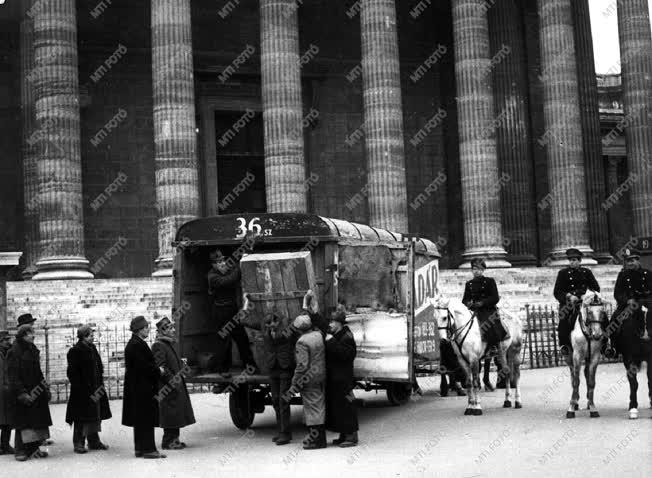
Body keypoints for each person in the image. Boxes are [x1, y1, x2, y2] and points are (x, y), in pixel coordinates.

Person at [241, 293, 297, 446]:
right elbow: (243, 320)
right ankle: (281, 431)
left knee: (283, 401)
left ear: (277, 322)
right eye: (266, 326)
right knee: (275, 400)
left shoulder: (287, 329)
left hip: (285, 369)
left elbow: (301, 321)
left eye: (271, 325)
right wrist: (247, 302)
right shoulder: (264, 326)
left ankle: (285, 433)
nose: (268, 328)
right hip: (272, 368)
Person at [122, 316, 166, 459]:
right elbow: (144, 367)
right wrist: (158, 371)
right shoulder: (137, 345)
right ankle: (148, 450)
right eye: (146, 327)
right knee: (146, 419)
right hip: (142, 388)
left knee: (140, 420)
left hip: (138, 388)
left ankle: (140, 448)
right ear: (139, 329)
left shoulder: (135, 343)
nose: (148, 329)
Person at [7, 323, 52, 461]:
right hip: (23, 392)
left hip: (36, 391)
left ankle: (33, 449)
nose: (33, 335)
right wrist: (21, 393)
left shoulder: (32, 349)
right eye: (31, 333)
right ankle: (20, 450)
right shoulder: (14, 351)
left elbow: (38, 372)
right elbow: (13, 375)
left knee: (36, 422)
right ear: (24, 335)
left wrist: (45, 388)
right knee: (23, 423)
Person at [207, 247, 255, 373]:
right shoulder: (212, 277)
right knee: (224, 342)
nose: (222, 263)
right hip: (220, 313)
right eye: (219, 262)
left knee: (242, 339)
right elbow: (228, 281)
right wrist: (240, 267)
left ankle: (250, 367)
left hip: (232, 311)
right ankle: (223, 369)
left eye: (223, 261)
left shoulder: (226, 271)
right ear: (213, 265)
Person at [65, 325, 111, 454]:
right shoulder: (75, 351)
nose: (93, 337)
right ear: (84, 337)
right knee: (81, 417)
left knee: (95, 415)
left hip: (96, 388)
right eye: (90, 335)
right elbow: (72, 373)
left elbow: (98, 367)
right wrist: (81, 388)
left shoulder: (92, 348)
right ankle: (78, 442)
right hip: (82, 392)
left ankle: (94, 441)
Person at [151, 317, 196, 450]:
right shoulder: (159, 345)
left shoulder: (169, 343)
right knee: (170, 414)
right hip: (168, 386)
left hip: (175, 384)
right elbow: (161, 367)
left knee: (176, 413)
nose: (174, 330)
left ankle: (174, 440)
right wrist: (172, 382)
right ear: (163, 331)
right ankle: (168, 441)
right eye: (170, 328)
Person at [553, 248, 600, 356]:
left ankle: (605, 344)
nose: (572, 262)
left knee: (601, 318)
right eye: (570, 260)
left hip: (586, 303)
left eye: (574, 260)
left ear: (580, 261)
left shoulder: (586, 272)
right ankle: (564, 345)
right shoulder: (563, 273)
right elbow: (557, 292)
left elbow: (596, 288)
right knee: (563, 321)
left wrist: (586, 295)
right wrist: (568, 296)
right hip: (569, 304)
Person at [290, 314, 326, 450]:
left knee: (312, 409)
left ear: (298, 329)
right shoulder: (318, 335)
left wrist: (295, 383)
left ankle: (317, 440)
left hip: (309, 379)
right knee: (319, 406)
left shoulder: (302, 342)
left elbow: (302, 366)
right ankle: (320, 438)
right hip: (321, 374)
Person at [324, 306, 359, 447]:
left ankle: (351, 437)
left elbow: (346, 355)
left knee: (347, 406)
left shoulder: (347, 337)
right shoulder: (339, 334)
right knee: (339, 407)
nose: (330, 325)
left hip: (344, 380)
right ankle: (344, 434)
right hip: (337, 379)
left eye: (332, 322)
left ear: (339, 323)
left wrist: (331, 342)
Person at [608, 248, 652, 354]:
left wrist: (646, 300)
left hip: (647, 303)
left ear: (638, 260)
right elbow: (617, 293)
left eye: (632, 260)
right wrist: (627, 300)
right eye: (628, 261)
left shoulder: (647, 274)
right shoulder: (623, 275)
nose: (630, 263)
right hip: (628, 306)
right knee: (614, 322)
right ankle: (613, 348)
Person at [462, 258, 506, 356]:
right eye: (474, 269)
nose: (476, 271)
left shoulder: (490, 281)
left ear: (483, 270)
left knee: (488, 322)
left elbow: (495, 298)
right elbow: (464, 299)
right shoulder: (469, 284)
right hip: (474, 309)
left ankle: (493, 346)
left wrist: (483, 303)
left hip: (487, 309)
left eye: (478, 269)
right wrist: (468, 303)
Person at [0, 330, 14, 455]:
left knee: (8, 421)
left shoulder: (9, 353)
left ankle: (5, 445)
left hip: (7, 391)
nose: (9, 342)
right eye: (6, 340)